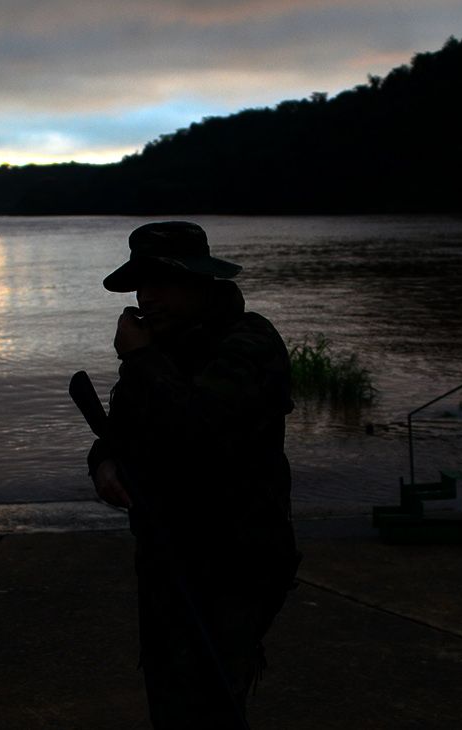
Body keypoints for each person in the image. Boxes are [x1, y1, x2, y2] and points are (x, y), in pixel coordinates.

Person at [87, 221, 300, 728]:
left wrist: (139, 358)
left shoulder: (250, 342)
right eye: (143, 284)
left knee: (212, 699)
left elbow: (198, 430)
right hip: (166, 555)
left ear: (203, 283)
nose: (149, 296)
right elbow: (121, 431)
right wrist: (104, 464)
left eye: (165, 282)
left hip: (236, 560)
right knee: (168, 694)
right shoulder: (165, 347)